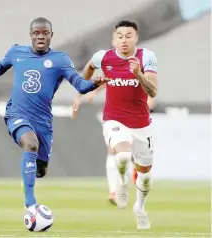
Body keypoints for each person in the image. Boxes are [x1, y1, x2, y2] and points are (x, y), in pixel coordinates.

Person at [0, 17, 106, 210]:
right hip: (17, 113)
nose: (41, 37)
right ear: (31, 35)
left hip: (43, 121)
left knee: (40, 169)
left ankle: (28, 179)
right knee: (30, 144)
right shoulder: (16, 52)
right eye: (37, 33)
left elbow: (80, 85)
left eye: (45, 33)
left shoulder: (60, 59)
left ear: (51, 35)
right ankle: (31, 204)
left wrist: (95, 83)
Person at [71, 20, 157, 229]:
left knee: (145, 177)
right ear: (114, 39)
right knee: (122, 154)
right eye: (120, 36)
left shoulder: (147, 57)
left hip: (141, 123)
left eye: (129, 35)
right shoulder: (104, 57)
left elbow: (153, 92)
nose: (124, 40)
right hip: (114, 119)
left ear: (136, 38)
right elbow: (89, 68)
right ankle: (121, 185)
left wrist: (138, 74)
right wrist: (83, 90)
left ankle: (140, 208)